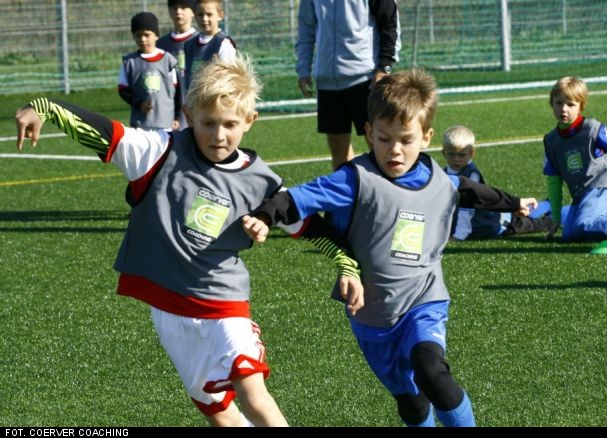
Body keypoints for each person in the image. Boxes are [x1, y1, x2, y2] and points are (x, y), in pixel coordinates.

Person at [15, 54, 362, 427]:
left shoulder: (262, 183)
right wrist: (44, 107)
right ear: (188, 113)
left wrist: (347, 266)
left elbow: (312, 228)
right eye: (208, 123)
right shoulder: (159, 151)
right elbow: (104, 132)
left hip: (223, 304)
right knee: (218, 411)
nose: (219, 135)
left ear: (250, 121)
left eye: (230, 124)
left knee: (253, 394)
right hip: (169, 310)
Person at [243, 69, 538, 427]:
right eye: (384, 138)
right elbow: (295, 199)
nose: (394, 150)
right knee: (412, 405)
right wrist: (265, 215)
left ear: (426, 137)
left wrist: (514, 202)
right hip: (372, 316)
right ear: (368, 133)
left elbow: (472, 192)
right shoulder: (354, 180)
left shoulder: (440, 180)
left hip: (424, 301)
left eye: (406, 139)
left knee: (432, 371)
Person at [295, 0, 401, 169]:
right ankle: (348, 193)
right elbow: (306, 28)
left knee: (377, 140)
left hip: (366, 78)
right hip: (327, 81)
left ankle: (387, 190)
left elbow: (389, 22)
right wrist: (303, 68)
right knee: (337, 144)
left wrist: (384, 66)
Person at [543, 76, 607, 241]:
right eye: (559, 103)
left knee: (584, 226)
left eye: (570, 104)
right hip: (581, 195)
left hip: (602, 188)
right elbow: (554, 182)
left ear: (581, 105)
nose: (563, 109)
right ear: (551, 103)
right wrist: (556, 218)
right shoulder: (551, 141)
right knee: (570, 235)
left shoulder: (593, 129)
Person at [442, 125, 559, 240]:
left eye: (462, 154)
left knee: (530, 224)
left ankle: (556, 215)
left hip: (495, 223)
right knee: (525, 211)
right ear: (443, 154)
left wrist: (460, 235)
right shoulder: (442, 173)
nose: (456, 159)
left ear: (472, 153)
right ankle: (545, 205)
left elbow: (467, 210)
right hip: (489, 218)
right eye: (451, 154)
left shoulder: (472, 174)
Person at [118, 12, 180, 131]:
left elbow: (176, 90)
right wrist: (138, 104)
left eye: (147, 35)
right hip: (140, 123)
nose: (142, 39)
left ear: (156, 35)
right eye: (138, 35)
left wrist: (176, 116)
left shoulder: (168, 60)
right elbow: (123, 90)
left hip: (165, 122)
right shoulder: (129, 62)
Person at [157, 0, 199, 129]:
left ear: (193, 12)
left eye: (183, 7)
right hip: (168, 110)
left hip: (195, 103)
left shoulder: (200, 41)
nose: (178, 11)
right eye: (174, 7)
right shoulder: (161, 44)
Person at [183, 0, 236, 95]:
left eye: (209, 14)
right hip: (193, 102)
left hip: (213, 102)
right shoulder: (189, 44)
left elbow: (228, 80)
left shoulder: (223, 44)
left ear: (220, 16)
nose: (204, 19)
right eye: (200, 14)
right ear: (195, 16)